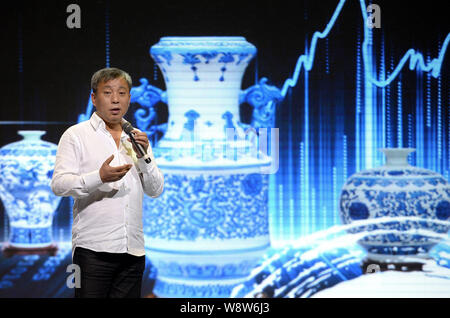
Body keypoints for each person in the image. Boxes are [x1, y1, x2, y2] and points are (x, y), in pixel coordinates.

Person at [51, 67, 164, 298]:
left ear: (129, 99)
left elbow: (155, 190)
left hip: (133, 251)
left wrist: (145, 156)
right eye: (108, 92)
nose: (115, 99)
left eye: (122, 93)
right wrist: (99, 177)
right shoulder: (76, 135)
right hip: (93, 251)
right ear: (94, 98)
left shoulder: (137, 137)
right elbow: (60, 184)